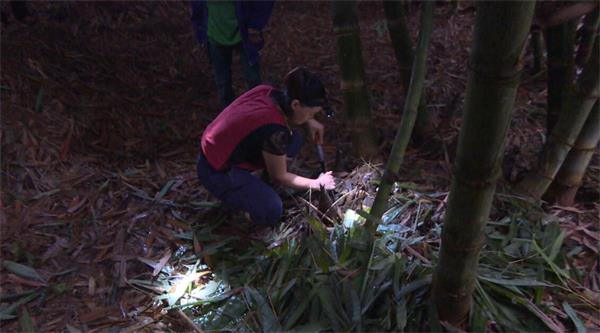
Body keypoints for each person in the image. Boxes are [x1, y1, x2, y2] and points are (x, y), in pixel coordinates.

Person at [197, 67, 336, 226]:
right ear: (295, 104)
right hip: (217, 169)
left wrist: (308, 120)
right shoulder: (274, 131)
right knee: (272, 209)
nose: (313, 117)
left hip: (217, 148)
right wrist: (317, 183)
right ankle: (243, 208)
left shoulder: (268, 91)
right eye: (312, 113)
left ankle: (258, 186)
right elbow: (280, 176)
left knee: (294, 139)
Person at [190, 0, 274, 109]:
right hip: (214, 33)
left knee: (252, 79)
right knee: (223, 83)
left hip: (244, 32)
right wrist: (200, 31)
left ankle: (257, 112)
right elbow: (197, 6)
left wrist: (255, 25)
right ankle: (230, 116)